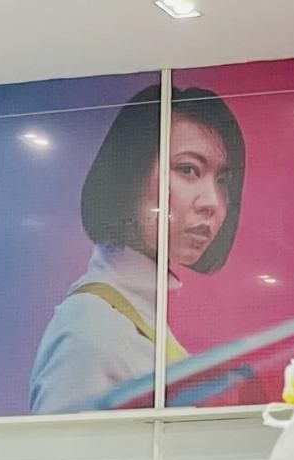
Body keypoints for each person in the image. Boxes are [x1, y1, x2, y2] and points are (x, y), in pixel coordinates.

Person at [30, 83, 247, 415]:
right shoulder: (91, 330)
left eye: (222, 181)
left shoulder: (137, 316)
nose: (213, 203)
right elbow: (61, 450)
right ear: (130, 174)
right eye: (188, 170)